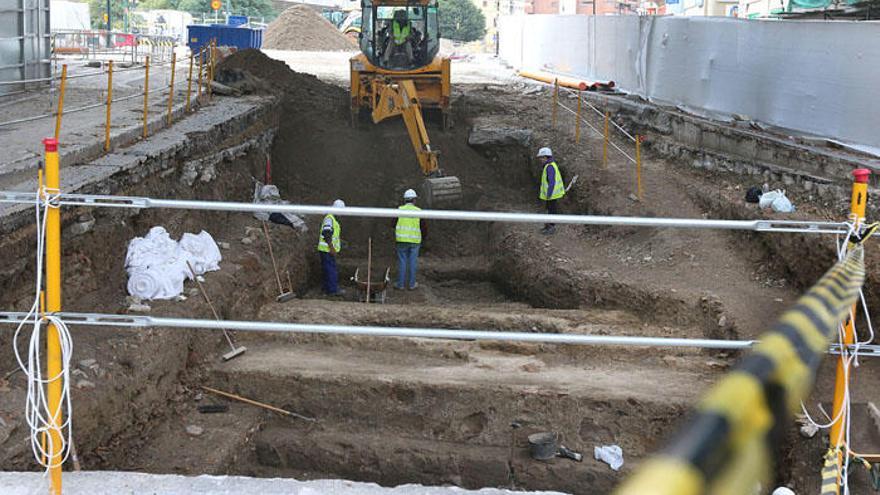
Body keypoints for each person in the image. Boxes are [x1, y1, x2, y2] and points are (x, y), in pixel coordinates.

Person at [393, 188, 426, 290]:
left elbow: (392, 223)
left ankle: (400, 285)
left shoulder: (399, 210)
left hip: (401, 240)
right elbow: (424, 227)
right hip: (415, 241)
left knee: (402, 262)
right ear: (414, 200)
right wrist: (424, 238)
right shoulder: (419, 211)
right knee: (412, 262)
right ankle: (411, 285)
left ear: (404, 200)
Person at [317, 199, 345, 296]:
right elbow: (327, 233)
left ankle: (327, 288)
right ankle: (333, 290)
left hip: (327, 249)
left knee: (327, 269)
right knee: (331, 270)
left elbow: (333, 235)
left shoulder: (333, 219)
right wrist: (332, 248)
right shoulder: (330, 218)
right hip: (327, 250)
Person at [537, 147, 565, 235]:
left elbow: (552, 182)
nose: (540, 160)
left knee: (551, 210)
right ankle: (548, 226)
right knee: (549, 209)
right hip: (551, 194)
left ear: (546, 157)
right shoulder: (550, 165)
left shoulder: (550, 167)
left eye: (541, 157)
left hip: (552, 194)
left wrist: (548, 194)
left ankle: (551, 227)